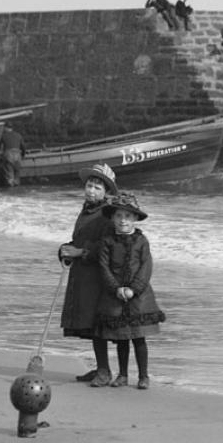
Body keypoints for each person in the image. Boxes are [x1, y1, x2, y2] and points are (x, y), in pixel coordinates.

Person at [94, 192, 165, 389]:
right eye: (118, 216)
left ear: (135, 219)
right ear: (112, 218)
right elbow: (104, 267)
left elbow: (146, 267)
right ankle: (122, 375)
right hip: (115, 296)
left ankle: (143, 376)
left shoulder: (142, 241)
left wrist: (134, 289)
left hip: (139, 297)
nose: (123, 220)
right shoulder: (108, 241)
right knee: (121, 339)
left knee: (139, 338)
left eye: (127, 216)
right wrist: (116, 288)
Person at [57, 164, 119, 385]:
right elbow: (80, 238)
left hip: (99, 276)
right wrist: (66, 250)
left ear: (106, 193)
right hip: (84, 273)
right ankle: (101, 367)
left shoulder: (108, 214)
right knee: (90, 324)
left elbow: (108, 246)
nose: (91, 191)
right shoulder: (87, 210)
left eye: (97, 188)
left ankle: (105, 371)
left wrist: (81, 252)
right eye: (89, 186)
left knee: (98, 323)